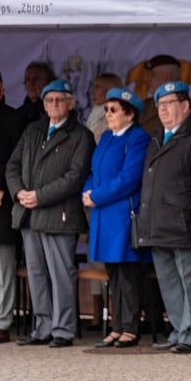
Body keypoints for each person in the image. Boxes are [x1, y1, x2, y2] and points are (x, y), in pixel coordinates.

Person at [7, 79, 95, 347]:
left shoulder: (81, 135)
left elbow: (75, 177)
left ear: (71, 103)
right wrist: (19, 192)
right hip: (29, 214)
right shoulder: (33, 130)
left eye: (59, 100)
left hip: (60, 215)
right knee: (37, 273)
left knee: (61, 274)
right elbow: (13, 165)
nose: (54, 104)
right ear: (43, 104)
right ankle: (42, 327)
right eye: (49, 100)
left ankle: (63, 329)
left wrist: (38, 196)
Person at [137, 81, 191, 353]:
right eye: (160, 104)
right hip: (157, 224)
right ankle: (179, 330)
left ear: (185, 106)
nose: (164, 109)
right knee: (169, 282)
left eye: (170, 104)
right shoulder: (157, 136)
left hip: (184, 224)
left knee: (190, 282)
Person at [82, 88, 152, 348]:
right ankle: (117, 324)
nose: (108, 114)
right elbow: (93, 171)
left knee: (128, 274)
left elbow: (129, 178)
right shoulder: (107, 138)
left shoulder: (138, 138)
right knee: (113, 273)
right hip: (104, 215)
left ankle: (131, 327)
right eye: (106, 110)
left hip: (122, 216)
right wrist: (87, 191)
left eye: (113, 110)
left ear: (130, 113)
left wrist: (97, 195)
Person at [82, 72, 124, 331]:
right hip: (93, 199)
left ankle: (114, 315)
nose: (93, 91)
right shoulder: (93, 113)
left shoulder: (110, 119)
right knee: (93, 256)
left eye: (98, 87)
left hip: (109, 201)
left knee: (112, 261)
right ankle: (97, 312)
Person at [0, 68, 24, 344]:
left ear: (2, 91)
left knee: (3, 267)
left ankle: (1, 321)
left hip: (1, 200)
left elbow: (17, 159)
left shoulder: (14, 118)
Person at [138, 54, 191, 136]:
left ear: (167, 76)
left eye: (152, 75)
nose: (148, 80)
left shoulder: (186, 108)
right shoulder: (144, 106)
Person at [18, 61, 56, 125]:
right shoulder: (18, 115)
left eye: (36, 79)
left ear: (48, 82)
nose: (31, 83)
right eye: (27, 79)